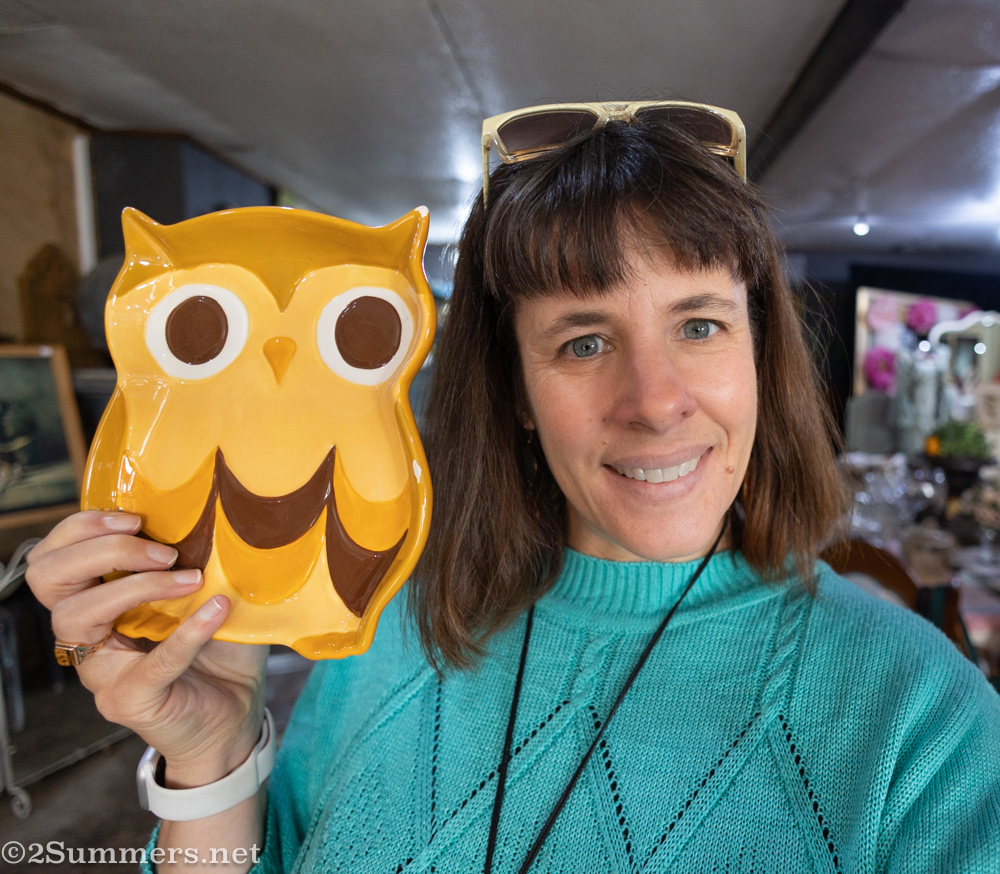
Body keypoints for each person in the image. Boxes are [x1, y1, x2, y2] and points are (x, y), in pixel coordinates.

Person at [25, 103, 1000, 873]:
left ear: (758, 353)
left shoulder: (920, 713)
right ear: (519, 393)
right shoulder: (394, 632)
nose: (654, 404)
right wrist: (211, 757)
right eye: (582, 340)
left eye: (700, 325)